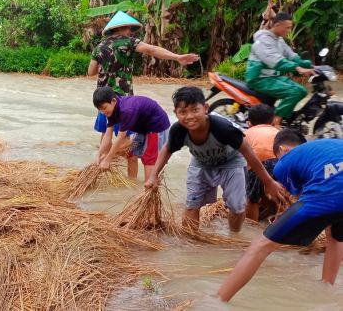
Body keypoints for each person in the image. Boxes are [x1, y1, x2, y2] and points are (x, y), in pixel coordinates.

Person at [216, 132, 343, 302]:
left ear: (281, 150)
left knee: (259, 246)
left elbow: (294, 198)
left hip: (327, 196)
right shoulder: (325, 147)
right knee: (335, 238)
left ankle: (217, 300)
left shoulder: (283, 163)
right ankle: (326, 288)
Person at [144, 86, 287, 233]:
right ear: (176, 113)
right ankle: (190, 241)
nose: (189, 116)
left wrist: (268, 182)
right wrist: (153, 175)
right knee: (192, 204)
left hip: (231, 163)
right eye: (183, 112)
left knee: (237, 207)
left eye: (195, 110)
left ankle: (234, 236)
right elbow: (167, 149)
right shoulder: (178, 130)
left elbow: (247, 151)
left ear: (205, 108)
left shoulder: (221, 127)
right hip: (201, 164)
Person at [88, 11, 199, 180]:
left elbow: (90, 72)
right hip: (122, 100)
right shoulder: (129, 42)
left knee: (106, 135)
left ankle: (99, 167)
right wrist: (177, 57)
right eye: (129, 29)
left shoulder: (99, 46)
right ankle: (130, 181)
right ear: (124, 28)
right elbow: (152, 50)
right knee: (129, 148)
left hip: (102, 100)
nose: (130, 32)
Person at [246, 12, 315, 125]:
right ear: (277, 25)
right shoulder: (263, 40)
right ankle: (275, 123)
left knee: (302, 91)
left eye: (290, 28)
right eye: (287, 28)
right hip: (259, 78)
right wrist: (297, 68)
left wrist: (309, 65)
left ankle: (284, 120)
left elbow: (291, 55)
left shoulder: (279, 40)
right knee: (294, 92)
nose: (288, 31)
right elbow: (274, 59)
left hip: (272, 77)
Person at [93, 87, 170, 182]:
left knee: (149, 158)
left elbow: (120, 138)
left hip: (156, 125)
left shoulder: (126, 110)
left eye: (104, 108)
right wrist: (99, 154)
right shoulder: (111, 111)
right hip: (142, 127)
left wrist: (108, 159)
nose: (103, 112)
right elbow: (108, 135)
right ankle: (132, 183)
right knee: (131, 154)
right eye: (100, 110)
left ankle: (148, 191)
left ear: (113, 101)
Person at [244, 104, 280, 221]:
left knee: (252, 198)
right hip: (283, 160)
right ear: (274, 121)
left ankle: (250, 229)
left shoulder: (247, 133)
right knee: (280, 195)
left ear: (249, 123)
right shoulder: (278, 131)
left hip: (260, 161)